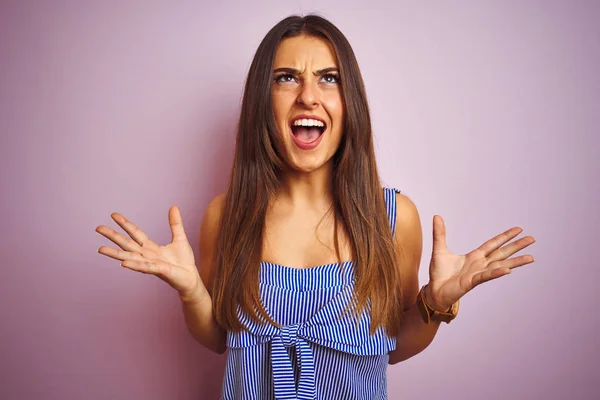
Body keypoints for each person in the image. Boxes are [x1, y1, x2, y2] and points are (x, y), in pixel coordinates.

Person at [95, 14, 535, 400]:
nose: (308, 95)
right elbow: (216, 339)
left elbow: (396, 344)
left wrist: (435, 304)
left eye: (329, 78)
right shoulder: (225, 216)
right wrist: (191, 291)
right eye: (286, 77)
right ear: (261, 102)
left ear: (350, 103)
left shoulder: (394, 219)